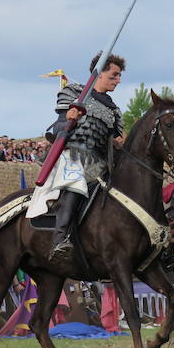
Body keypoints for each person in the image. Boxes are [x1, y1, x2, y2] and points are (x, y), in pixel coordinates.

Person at [33, 53, 125, 263]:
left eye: (119, 76)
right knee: (75, 182)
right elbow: (56, 130)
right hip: (72, 156)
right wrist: (69, 120)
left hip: (100, 165)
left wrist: (118, 145)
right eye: (114, 75)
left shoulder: (113, 111)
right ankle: (60, 239)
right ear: (100, 73)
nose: (118, 80)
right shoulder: (75, 94)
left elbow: (112, 145)